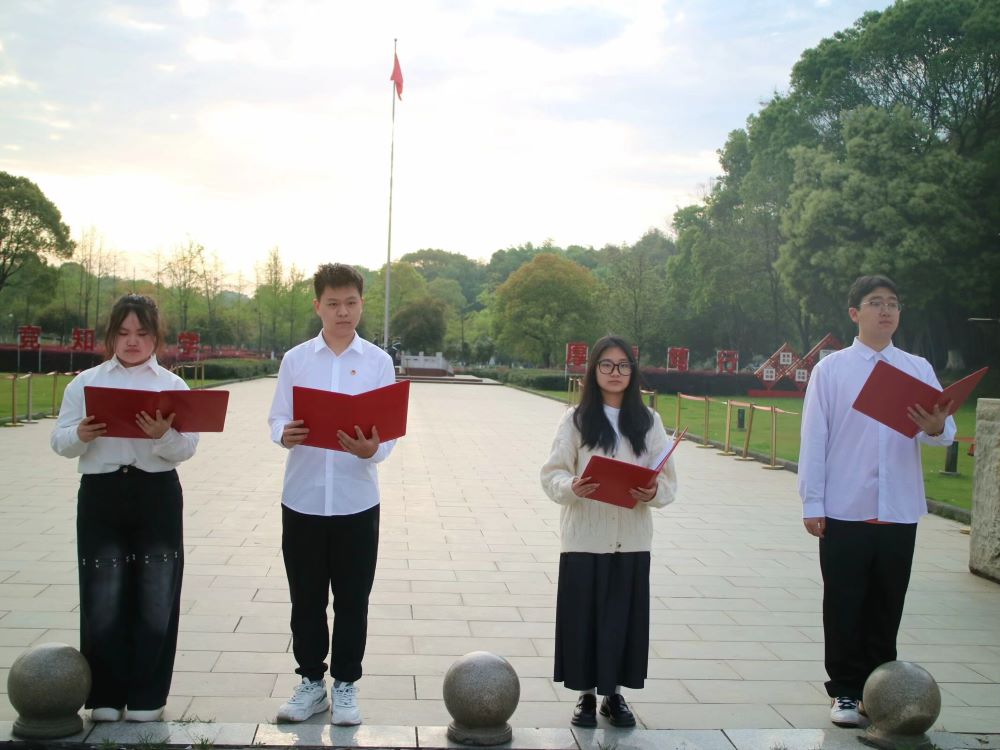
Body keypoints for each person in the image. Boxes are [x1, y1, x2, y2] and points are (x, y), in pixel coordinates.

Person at [798, 274, 956, 727]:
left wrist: (935, 427)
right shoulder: (832, 370)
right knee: (844, 604)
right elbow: (814, 438)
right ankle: (845, 692)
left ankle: (880, 691)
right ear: (855, 313)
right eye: (875, 303)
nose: (886, 311)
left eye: (893, 303)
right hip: (845, 509)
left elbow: (943, 431)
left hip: (899, 510)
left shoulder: (917, 367)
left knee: (887, 606)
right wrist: (812, 502)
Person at [50, 294, 198, 723]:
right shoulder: (85, 383)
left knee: (157, 591)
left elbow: (187, 448)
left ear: (157, 337)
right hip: (102, 493)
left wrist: (162, 435)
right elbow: (59, 442)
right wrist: (80, 434)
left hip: (156, 493)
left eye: (142, 333)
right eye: (124, 332)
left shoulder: (172, 386)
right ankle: (105, 694)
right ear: (111, 335)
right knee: (103, 592)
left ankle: (148, 695)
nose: (133, 341)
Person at [267, 263, 397, 724]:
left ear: (361, 304)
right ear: (317, 305)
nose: (343, 312)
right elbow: (277, 418)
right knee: (305, 597)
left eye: (351, 303)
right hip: (302, 498)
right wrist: (284, 434)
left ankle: (345, 685)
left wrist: (372, 449)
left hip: (355, 501)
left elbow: (389, 434)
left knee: (352, 599)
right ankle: (310, 683)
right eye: (333, 303)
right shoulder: (296, 359)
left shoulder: (378, 362)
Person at [540, 335, 678, 728]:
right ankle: (585, 696)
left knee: (621, 620)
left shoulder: (648, 421)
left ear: (632, 371)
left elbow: (668, 482)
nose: (615, 372)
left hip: (632, 538)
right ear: (594, 370)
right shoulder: (576, 419)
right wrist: (573, 486)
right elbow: (552, 474)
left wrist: (652, 492)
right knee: (583, 620)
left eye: (622, 365)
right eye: (606, 364)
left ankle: (613, 696)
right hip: (585, 537)